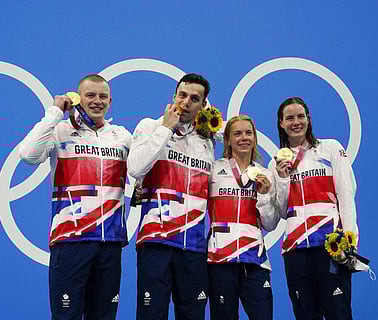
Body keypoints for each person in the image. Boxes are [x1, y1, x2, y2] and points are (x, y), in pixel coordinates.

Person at [19, 74, 132, 320]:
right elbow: (28, 154)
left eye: (103, 96)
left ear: (110, 101)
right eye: (90, 95)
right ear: (78, 98)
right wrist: (54, 113)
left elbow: (144, 166)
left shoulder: (122, 136)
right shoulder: (60, 131)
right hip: (71, 240)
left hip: (110, 242)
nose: (97, 101)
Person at [128, 73, 214, 320]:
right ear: (173, 96)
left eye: (194, 99)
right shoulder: (150, 126)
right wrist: (166, 128)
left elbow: (239, 134)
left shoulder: (206, 141)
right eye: (182, 95)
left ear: (203, 105)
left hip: (194, 245)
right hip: (156, 241)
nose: (186, 102)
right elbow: (135, 168)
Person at [272, 97, 359, 320]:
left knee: (338, 313)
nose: (296, 122)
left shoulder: (331, 148)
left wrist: (350, 240)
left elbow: (346, 194)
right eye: (289, 118)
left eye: (300, 116)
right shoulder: (276, 163)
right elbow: (282, 211)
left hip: (330, 244)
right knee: (305, 315)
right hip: (296, 248)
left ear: (309, 119)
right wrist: (282, 179)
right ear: (281, 123)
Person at [207, 115, 279, 320]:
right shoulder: (213, 170)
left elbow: (270, 223)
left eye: (249, 133)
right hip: (220, 258)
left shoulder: (265, 174)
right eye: (237, 134)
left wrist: (264, 194)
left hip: (255, 260)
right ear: (227, 139)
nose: (244, 138)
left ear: (255, 138)